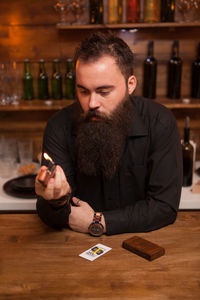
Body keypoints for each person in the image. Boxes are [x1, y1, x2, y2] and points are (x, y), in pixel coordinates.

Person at [35, 32, 182, 236]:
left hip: (143, 243)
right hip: (74, 248)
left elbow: (164, 207)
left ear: (131, 84)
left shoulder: (160, 123)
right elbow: (46, 211)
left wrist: (99, 221)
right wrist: (57, 199)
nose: (91, 103)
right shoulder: (58, 126)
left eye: (104, 92)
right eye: (83, 91)